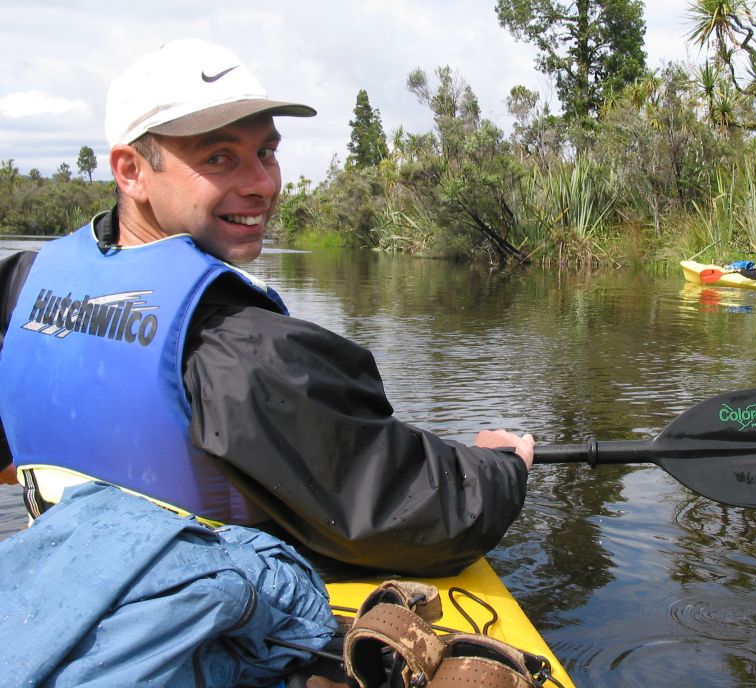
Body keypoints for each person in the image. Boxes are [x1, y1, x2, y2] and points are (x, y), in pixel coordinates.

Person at [0, 39, 535, 578]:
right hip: (189, 628)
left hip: (57, 584)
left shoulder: (25, 285)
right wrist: (499, 465)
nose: (261, 184)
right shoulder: (240, 349)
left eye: (266, 152)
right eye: (218, 157)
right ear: (131, 171)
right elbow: (428, 517)